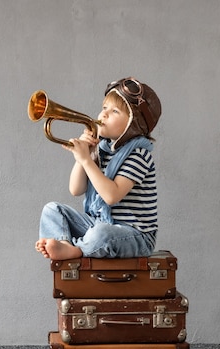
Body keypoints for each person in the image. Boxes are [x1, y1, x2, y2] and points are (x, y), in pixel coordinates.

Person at [35, 77, 162, 260]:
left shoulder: (139, 154)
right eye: (104, 108)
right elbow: (75, 189)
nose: (104, 115)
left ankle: (76, 250)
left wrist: (87, 161)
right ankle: (63, 243)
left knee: (101, 234)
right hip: (100, 222)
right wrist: (82, 158)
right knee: (52, 210)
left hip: (135, 235)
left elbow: (111, 196)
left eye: (115, 111)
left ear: (133, 124)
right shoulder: (102, 149)